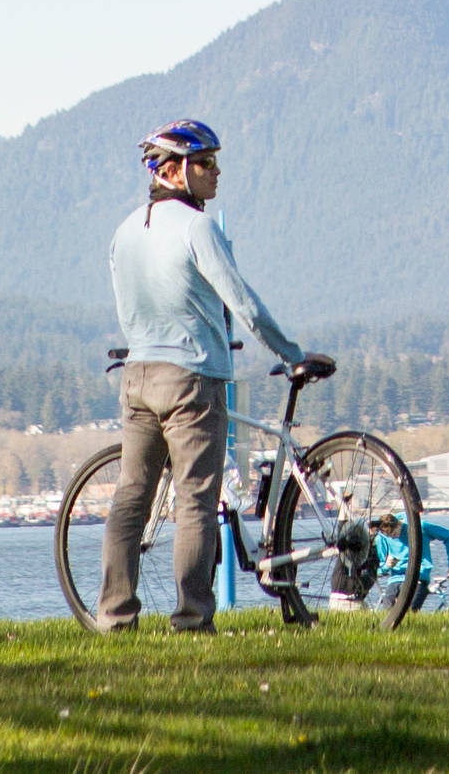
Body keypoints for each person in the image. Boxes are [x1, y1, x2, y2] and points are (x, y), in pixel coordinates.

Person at [101, 117, 327, 632]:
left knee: (132, 497)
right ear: (174, 171)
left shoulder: (123, 231)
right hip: (192, 378)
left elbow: (127, 309)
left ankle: (114, 616)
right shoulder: (198, 227)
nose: (217, 171)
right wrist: (291, 352)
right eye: (205, 163)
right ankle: (192, 620)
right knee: (195, 500)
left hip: (138, 375)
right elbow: (242, 301)